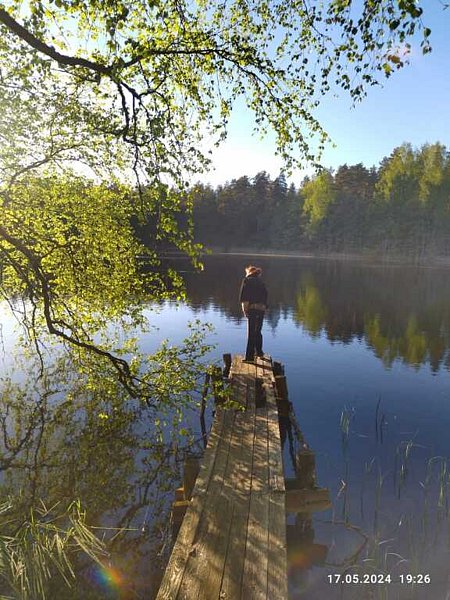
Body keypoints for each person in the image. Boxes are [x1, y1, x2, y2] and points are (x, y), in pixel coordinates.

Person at [239, 265, 268, 362]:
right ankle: (259, 352)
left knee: (251, 332)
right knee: (258, 331)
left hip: (252, 309)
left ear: (249, 272)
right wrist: (264, 308)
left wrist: (245, 310)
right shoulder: (261, 282)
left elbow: (244, 298)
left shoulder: (247, 281)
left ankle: (249, 357)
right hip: (261, 309)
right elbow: (265, 296)